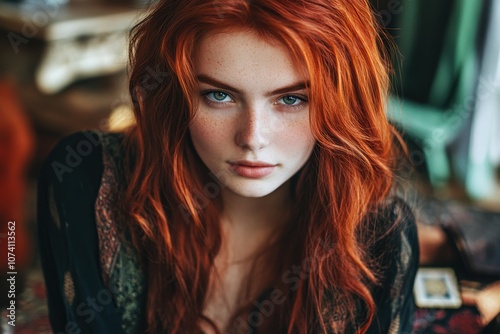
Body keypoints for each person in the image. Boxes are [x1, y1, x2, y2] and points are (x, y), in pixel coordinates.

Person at [37, 0, 419, 333]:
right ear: (175, 97)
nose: (252, 138)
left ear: (343, 104)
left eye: (291, 100)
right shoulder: (88, 182)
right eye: (219, 95)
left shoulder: (382, 240)